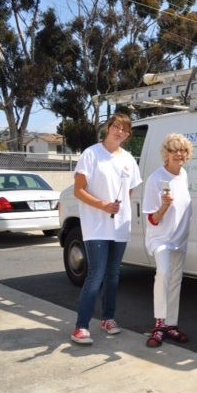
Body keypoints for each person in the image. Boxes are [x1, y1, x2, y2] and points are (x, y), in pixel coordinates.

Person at [70, 113, 142, 345]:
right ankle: (81, 326)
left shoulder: (129, 159)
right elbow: (78, 190)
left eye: (124, 129)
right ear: (108, 128)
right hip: (96, 226)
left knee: (113, 275)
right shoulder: (91, 154)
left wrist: (117, 207)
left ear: (128, 135)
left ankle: (108, 319)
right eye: (116, 127)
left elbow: (128, 191)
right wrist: (102, 205)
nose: (119, 132)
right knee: (96, 274)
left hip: (120, 225)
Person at [142, 134, 194, 347]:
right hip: (160, 239)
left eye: (183, 150)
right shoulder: (156, 178)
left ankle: (171, 324)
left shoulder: (184, 175)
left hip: (179, 239)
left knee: (175, 280)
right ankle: (159, 324)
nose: (179, 154)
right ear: (166, 153)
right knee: (163, 273)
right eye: (174, 150)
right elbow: (152, 219)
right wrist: (164, 205)